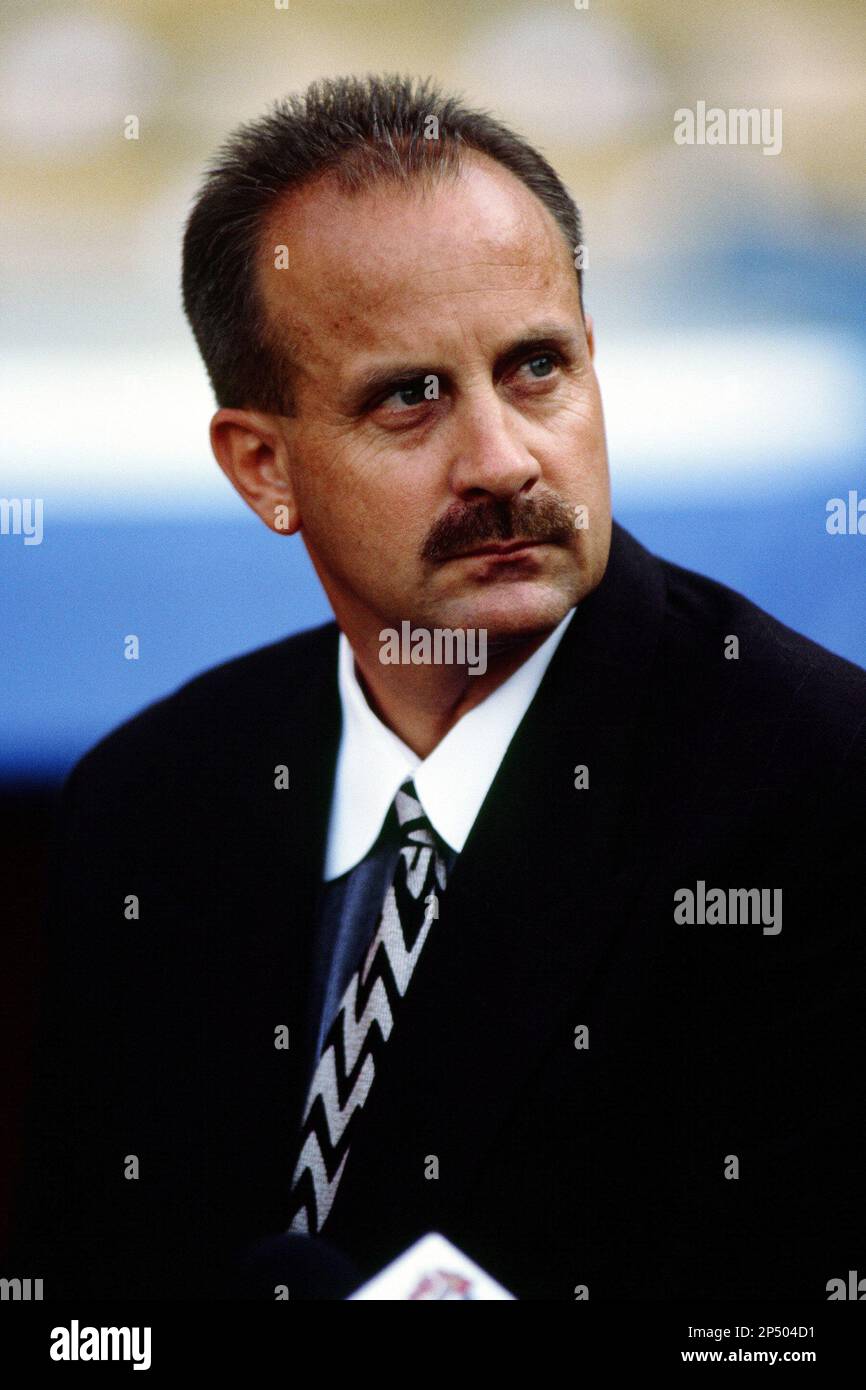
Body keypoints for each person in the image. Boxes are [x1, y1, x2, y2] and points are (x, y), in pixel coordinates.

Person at [8, 74, 865, 1300]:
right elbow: (80, 1317)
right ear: (263, 467)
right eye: (410, 398)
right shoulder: (146, 806)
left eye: (535, 368)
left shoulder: (820, 794)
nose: (503, 460)